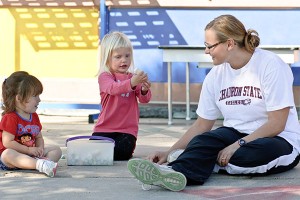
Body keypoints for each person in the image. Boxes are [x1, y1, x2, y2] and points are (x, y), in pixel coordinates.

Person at [127, 14, 300, 191]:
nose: (206, 51)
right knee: (202, 141)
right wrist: (168, 152)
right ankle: (173, 172)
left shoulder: (270, 65)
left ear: (230, 44)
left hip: (278, 139)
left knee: (252, 155)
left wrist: (237, 145)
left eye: (210, 46)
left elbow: (277, 123)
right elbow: (202, 124)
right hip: (235, 132)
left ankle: (197, 161)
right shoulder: (215, 75)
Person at [92, 31, 152, 160]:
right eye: (118, 57)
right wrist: (132, 83)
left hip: (127, 130)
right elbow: (112, 88)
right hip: (105, 128)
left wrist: (144, 90)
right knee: (95, 150)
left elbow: (144, 99)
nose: (124, 60)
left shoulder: (132, 77)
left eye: (127, 56)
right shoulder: (105, 76)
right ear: (107, 58)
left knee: (122, 153)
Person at [0, 71, 62, 177]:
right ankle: (39, 164)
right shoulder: (10, 117)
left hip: (30, 155)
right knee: (7, 154)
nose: (39, 100)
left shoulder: (34, 116)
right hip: (12, 158)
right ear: (19, 98)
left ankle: (44, 163)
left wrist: (40, 149)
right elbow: (8, 142)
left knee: (56, 149)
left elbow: (39, 137)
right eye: (34, 96)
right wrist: (28, 150)